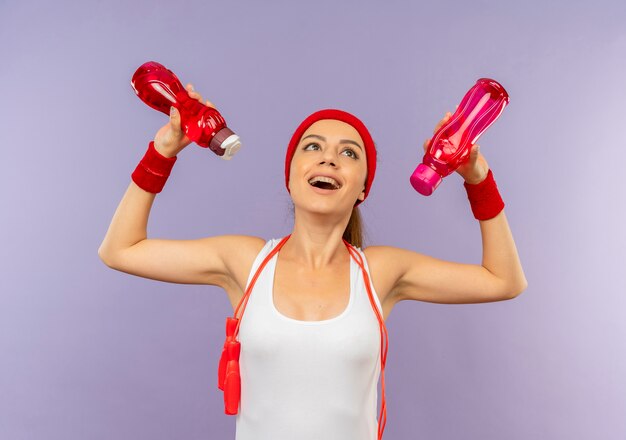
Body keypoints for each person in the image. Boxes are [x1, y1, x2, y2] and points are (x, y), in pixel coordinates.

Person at [98, 83, 528, 440]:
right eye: (314, 146)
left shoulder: (380, 272)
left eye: (349, 153)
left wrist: (478, 178)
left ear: (362, 188)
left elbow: (503, 280)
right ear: (290, 177)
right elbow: (121, 249)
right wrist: (164, 150)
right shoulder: (246, 263)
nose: (328, 157)